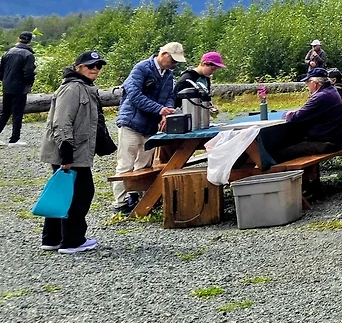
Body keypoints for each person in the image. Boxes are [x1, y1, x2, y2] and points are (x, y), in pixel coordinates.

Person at [39, 50, 111, 254]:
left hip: (75, 150)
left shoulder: (84, 87)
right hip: (71, 151)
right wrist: (66, 153)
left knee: (61, 192)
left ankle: (53, 238)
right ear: (78, 67)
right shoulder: (72, 88)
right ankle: (73, 241)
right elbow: (61, 122)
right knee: (80, 194)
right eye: (90, 66)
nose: (95, 69)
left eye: (98, 66)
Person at [112, 41, 184, 213]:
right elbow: (134, 94)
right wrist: (159, 109)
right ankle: (120, 203)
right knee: (125, 164)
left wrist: (167, 111)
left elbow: (169, 96)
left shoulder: (168, 75)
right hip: (131, 123)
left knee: (144, 165)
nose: (174, 64)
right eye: (173, 60)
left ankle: (137, 197)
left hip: (150, 126)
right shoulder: (141, 68)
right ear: (164, 54)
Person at [259, 68, 342, 165]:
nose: (307, 85)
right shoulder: (331, 91)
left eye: (307, 82)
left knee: (278, 155)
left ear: (314, 83)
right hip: (335, 138)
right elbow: (308, 112)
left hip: (326, 142)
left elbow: (296, 118)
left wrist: (288, 115)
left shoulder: (320, 96)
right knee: (291, 143)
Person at [1, 31, 37, 146]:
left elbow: (1, 71)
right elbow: (28, 72)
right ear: (30, 41)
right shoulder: (28, 55)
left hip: (7, 86)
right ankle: (14, 139)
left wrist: (5, 80)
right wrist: (29, 83)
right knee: (17, 113)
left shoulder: (8, 52)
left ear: (18, 38)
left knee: (5, 112)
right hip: (20, 87)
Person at [173, 52, 224, 128]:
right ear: (204, 63)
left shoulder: (206, 79)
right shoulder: (186, 79)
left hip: (200, 119)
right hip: (186, 119)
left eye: (215, 70)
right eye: (212, 69)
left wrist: (210, 107)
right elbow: (176, 102)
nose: (212, 72)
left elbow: (205, 97)